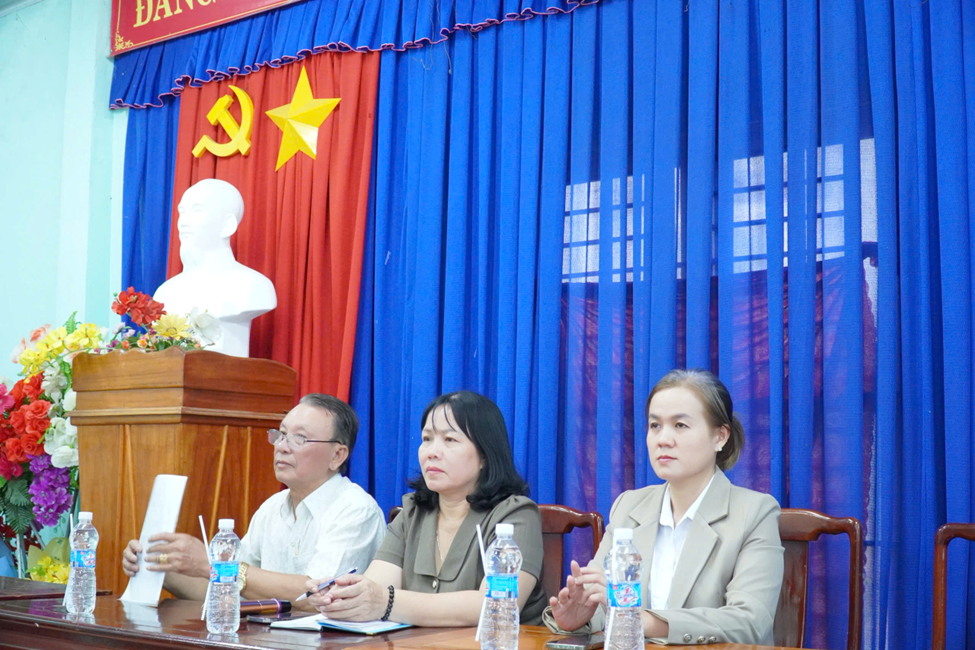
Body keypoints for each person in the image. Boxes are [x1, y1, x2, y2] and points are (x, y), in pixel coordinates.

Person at [546, 369, 784, 645]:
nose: (663, 439)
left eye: (680, 425)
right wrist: (582, 618)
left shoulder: (754, 512)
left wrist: (645, 621)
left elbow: (750, 621)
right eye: (655, 425)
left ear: (720, 436)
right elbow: (606, 602)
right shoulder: (628, 506)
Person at [121, 394, 386, 610]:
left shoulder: (355, 510)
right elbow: (228, 590)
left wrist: (214, 565)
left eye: (299, 438)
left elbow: (320, 596)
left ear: (337, 455)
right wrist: (161, 567)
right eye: (281, 434)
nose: (282, 446)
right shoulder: (272, 507)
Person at [305, 391, 548, 625]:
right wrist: (341, 597)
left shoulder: (515, 515)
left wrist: (384, 602)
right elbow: (376, 588)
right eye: (427, 439)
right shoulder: (412, 513)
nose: (432, 452)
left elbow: (496, 604)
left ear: (485, 455)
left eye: (450, 440)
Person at [154, 178, 276, 357]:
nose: (183, 222)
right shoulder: (165, 292)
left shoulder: (253, 286)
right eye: (182, 212)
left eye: (197, 210)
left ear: (227, 225)